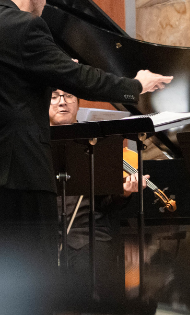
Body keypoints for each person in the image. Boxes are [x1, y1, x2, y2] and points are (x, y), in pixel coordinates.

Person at [0, 0, 172, 265]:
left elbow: (9, 90)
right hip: (22, 175)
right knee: (37, 272)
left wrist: (49, 71)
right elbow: (79, 78)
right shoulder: (26, 27)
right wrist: (135, 85)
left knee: (0, 272)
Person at [49, 89, 140, 298]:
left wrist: (124, 192)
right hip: (46, 235)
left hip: (89, 235)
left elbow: (106, 203)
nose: (62, 102)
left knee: (91, 277)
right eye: (54, 96)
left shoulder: (95, 143)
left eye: (69, 96)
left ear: (78, 104)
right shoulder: (35, 144)